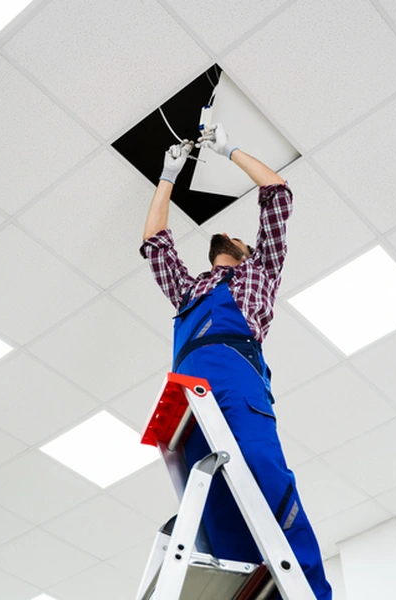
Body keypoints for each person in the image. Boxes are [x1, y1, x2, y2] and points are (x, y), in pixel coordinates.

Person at [140, 123, 333, 599]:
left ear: (246, 251)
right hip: (188, 396)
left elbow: (276, 193)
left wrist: (229, 150)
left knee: (264, 477)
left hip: (236, 380)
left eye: (236, 237)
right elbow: (154, 244)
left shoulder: (260, 271)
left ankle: (310, 592)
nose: (227, 236)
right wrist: (168, 175)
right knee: (213, 513)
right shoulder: (190, 289)